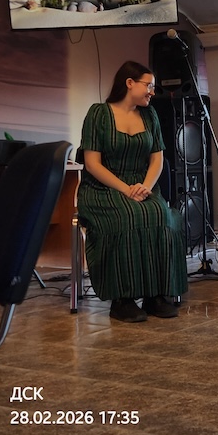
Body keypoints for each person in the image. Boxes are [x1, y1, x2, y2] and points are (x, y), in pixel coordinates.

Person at [77, 61, 187, 323]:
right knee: (127, 217)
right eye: (148, 85)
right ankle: (122, 300)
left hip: (142, 185)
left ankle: (155, 295)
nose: (152, 91)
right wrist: (126, 189)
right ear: (129, 83)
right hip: (103, 187)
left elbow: (157, 159)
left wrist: (145, 186)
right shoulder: (98, 114)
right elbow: (92, 164)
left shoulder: (150, 115)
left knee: (162, 216)